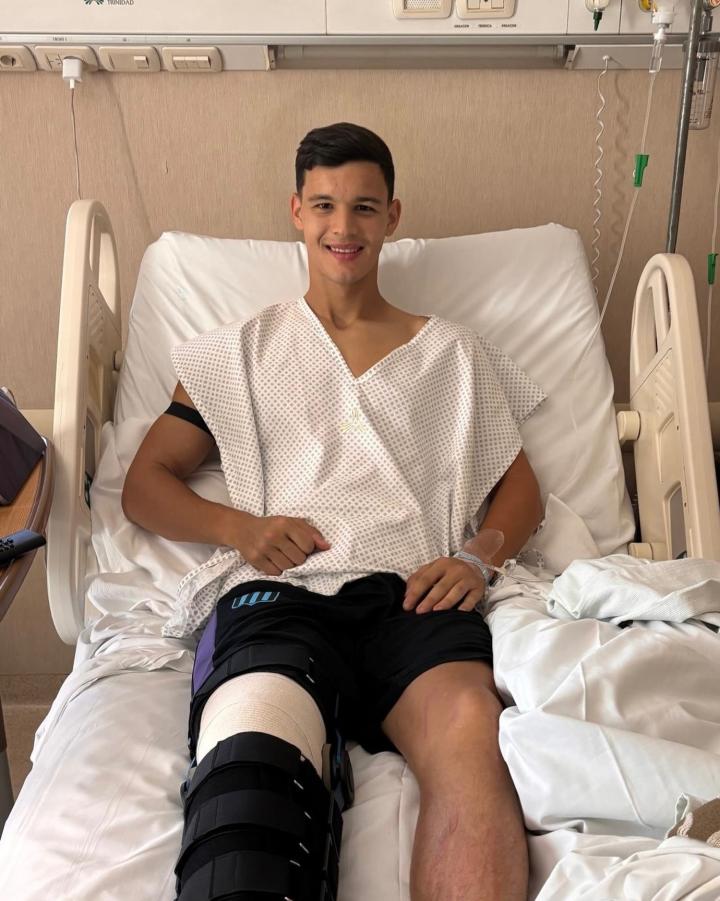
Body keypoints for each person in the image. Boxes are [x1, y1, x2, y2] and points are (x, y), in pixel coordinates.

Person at [122, 121, 545, 901]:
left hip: (412, 597)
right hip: (281, 594)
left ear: (392, 216)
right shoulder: (237, 352)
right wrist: (238, 528)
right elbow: (145, 483)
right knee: (249, 780)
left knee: (472, 746)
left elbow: (522, 490)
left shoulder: (453, 353)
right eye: (324, 205)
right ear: (296, 210)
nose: (342, 226)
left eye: (363, 207)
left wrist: (478, 556)